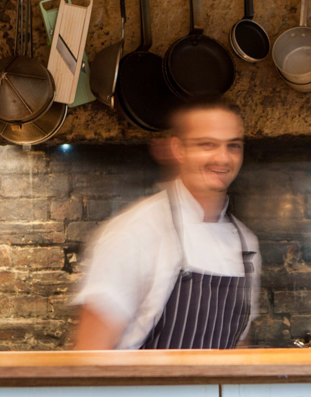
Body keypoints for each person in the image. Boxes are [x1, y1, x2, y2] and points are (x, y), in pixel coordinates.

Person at [72, 99, 260, 350]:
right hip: (141, 390)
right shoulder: (134, 232)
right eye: (207, 144)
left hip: (217, 390)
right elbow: (89, 355)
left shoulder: (245, 244)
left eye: (233, 146)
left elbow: (239, 346)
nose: (223, 158)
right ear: (178, 149)